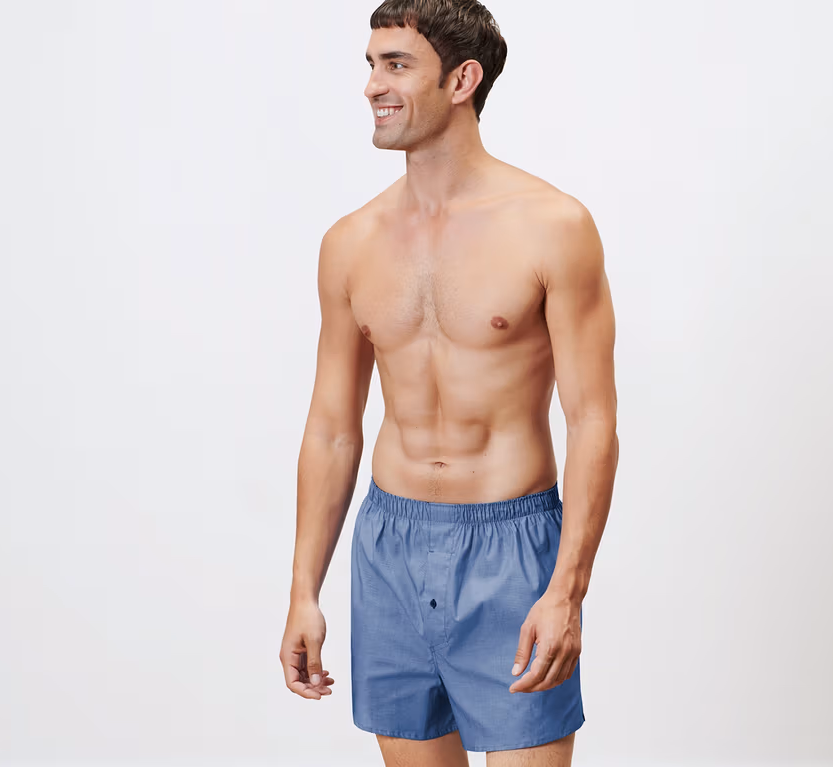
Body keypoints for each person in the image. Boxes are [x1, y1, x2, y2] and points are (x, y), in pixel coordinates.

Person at [279, 1, 619, 764]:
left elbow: (592, 419)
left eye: (396, 65)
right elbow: (332, 427)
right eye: (371, 65)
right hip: (388, 549)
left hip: (513, 550)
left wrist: (567, 588)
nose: (373, 85)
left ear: (462, 80)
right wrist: (304, 588)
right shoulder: (349, 243)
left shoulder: (553, 227)